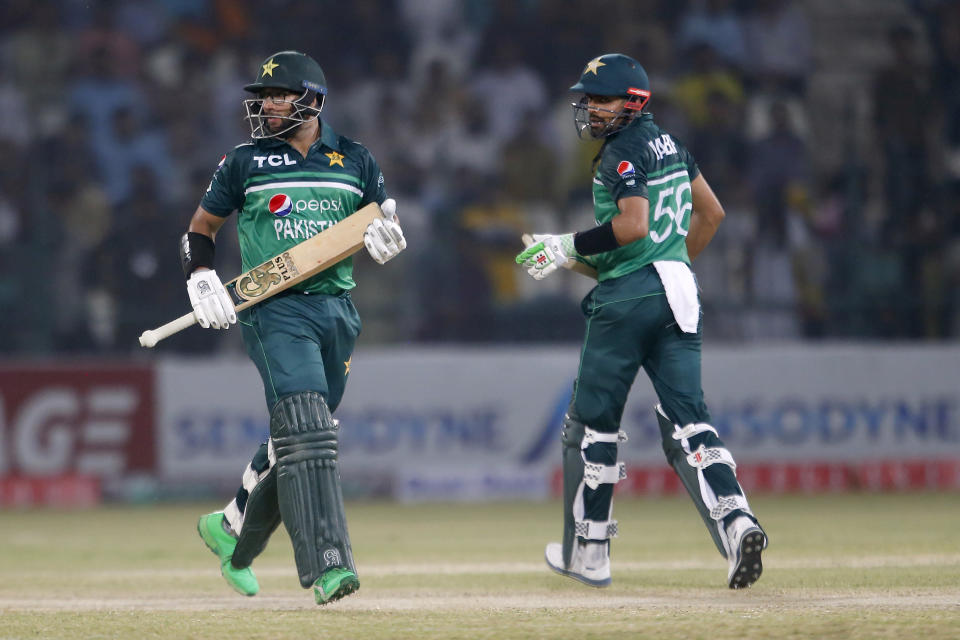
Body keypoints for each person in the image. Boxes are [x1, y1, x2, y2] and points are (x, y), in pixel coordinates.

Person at [516, 53, 767, 589]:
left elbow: (630, 229)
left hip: (629, 297)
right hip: (678, 290)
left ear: (632, 103)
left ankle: (589, 553)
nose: (589, 109)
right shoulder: (673, 145)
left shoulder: (620, 153)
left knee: (591, 425)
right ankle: (736, 518)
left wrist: (565, 242)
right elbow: (711, 215)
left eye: (600, 100)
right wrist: (565, 257)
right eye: (588, 100)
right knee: (691, 419)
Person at [185, 50, 406, 605]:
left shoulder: (355, 159)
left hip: (338, 311)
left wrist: (387, 238)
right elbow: (201, 228)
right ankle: (329, 565)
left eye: (277, 95)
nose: (263, 104)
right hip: (273, 308)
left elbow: (381, 222)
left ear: (312, 100)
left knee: (298, 437)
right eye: (260, 96)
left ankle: (232, 529)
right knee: (310, 430)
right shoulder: (244, 160)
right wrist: (202, 276)